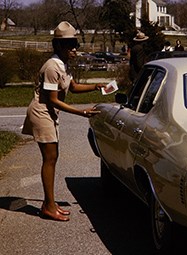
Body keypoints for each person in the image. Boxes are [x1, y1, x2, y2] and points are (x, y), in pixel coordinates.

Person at [21, 21, 106, 221]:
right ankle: (49, 207)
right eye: (70, 45)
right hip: (42, 112)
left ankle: (49, 203)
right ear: (58, 46)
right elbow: (52, 100)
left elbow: (73, 87)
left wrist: (95, 87)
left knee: (52, 158)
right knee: (49, 159)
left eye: (75, 44)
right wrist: (81, 112)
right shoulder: (52, 66)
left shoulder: (62, 64)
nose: (74, 49)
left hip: (49, 113)